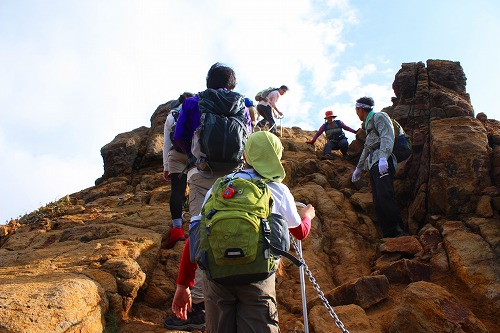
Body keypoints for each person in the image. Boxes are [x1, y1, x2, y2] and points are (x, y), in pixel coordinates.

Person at [171, 131, 315, 333]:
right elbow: (300, 233)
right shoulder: (278, 190)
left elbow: (197, 235)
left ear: (245, 156)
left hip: (217, 276)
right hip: (257, 276)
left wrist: (183, 284)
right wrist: (307, 215)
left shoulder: (219, 187)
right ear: (277, 158)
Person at [164, 62, 251, 331]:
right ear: (232, 84)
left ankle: (200, 307)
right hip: (235, 177)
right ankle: (239, 295)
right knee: (235, 226)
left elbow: (180, 137)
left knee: (202, 233)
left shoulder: (193, 103)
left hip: (203, 174)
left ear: (207, 81)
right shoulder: (243, 105)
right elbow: (248, 138)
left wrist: (193, 156)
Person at [350, 96, 407, 238]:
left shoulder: (379, 117)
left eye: (356, 110)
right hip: (374, 164)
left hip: (383, 162)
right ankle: (388, 234)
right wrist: (359, 168)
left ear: (361, 109)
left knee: (385, 195)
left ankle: (398, 230)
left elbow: (387, 136)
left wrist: (383, 157)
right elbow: (367, 148)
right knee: (378, 200)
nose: (356, 114)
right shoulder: (368, 125)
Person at [162, 92, 194, 249]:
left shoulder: (171, 115)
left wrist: (166, 167)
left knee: (177, 190)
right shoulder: (198, 110)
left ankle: (177, 229)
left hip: (176, 155)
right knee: (195, 189)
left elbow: (166, 144)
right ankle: (197, 224)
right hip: (194, 154)